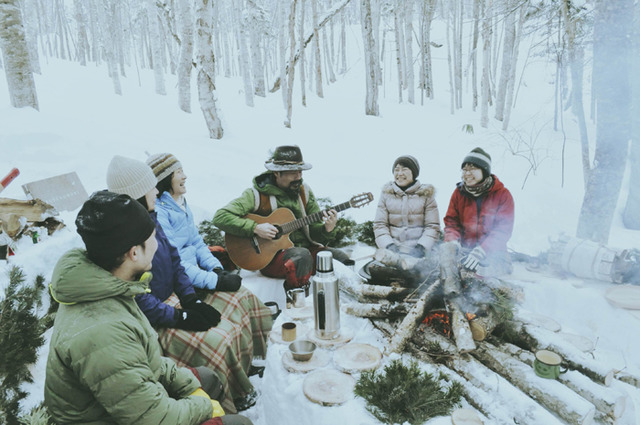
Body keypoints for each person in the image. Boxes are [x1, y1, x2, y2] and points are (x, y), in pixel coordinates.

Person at [44, 190, 252, 425]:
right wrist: (204, 406)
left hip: (132, 400)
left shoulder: (111, 284)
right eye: (152, 236)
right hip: (119, 418)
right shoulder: (103, 334)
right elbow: (154, 418)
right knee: (239, 423)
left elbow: (143, 360)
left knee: (206, 379)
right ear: (134, 252)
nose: (157, 244)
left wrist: (184, 383)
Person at [106, 155, 269, 413]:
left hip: (173, 296)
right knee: (219, 338)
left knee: (235, 309)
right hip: (154, 316)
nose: (155, 190)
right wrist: (181, 316)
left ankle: (245, 367)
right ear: (137, 192)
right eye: (150, 186)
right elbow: (136, 297)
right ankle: (230, 395)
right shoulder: (121, 241)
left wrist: (190, 298)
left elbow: (174, 258)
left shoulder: (149, 219)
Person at [213, 145, 353, 294]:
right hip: (271, 259)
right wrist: (255, 228)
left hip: (304, 251)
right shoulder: (256, 195)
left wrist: (326, 229)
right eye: (293, 173)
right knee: (301, 257)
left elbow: (313, 231)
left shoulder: (304, 192)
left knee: (340, 259)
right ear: (276, 173)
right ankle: (296, 302)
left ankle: (349, 298)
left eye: (300, 172)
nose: (298, 177)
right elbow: (221, 217)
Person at [443, 147, 515, 277]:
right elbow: (451, 223)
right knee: (450, 274)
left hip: (493, 252)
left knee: (483, 278)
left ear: (484, 171)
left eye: (472, 169)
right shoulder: (459, 193)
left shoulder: (502, 195)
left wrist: (483, 250)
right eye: (464, 169)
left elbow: (503, 230)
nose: (467, 173)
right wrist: (452, 241)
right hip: (464, 250)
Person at [374, 155, 441, 257]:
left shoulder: (426, 195)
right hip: (392, 252)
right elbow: (380, 225)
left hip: (420, 253)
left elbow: (432, 227)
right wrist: (389, 246)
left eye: (404, 169)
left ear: (413, 173)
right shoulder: (386, 194)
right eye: (396, 170)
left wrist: (421, 248)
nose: (400, 173)